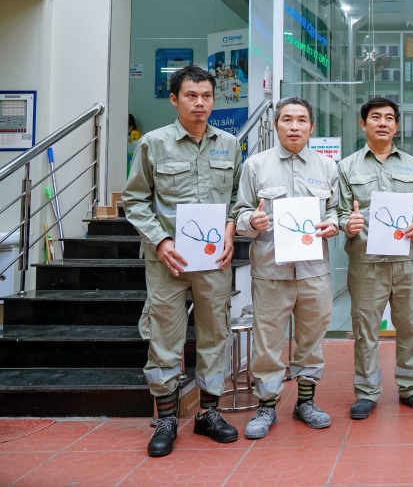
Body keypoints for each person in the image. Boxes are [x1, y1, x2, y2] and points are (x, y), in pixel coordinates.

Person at [122, 65, 241, 458]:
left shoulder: (230, 144)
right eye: (191, 95)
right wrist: (160, 241)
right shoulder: (153, 144)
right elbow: (135, 200)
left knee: (215, 334)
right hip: (167, 261)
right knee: (164, 337)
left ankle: (208, 413)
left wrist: (230, 228)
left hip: (213, 260)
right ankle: (167, 419)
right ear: (174, 99)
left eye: (206, 96)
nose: (200, 103)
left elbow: (237, 197)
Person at [233, 97, 339, 440]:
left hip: (314, 271)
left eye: (301, 120)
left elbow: (335, 210)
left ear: (311, 127)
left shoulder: (327, 167)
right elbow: (239, 212)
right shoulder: (256, 166)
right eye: (287, 120)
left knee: (312, 339)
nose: (294, 126)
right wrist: (252, 220)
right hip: (270, 271)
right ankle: (266, 405)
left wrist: (333, 223)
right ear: (276, 124)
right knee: (267, 342)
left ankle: (305, 402)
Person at [338, 97, 413, 420]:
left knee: (412, 326)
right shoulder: (347, 167)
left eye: (389, 118)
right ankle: (366, 392)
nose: (383, 123)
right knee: (365, 329)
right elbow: (338, 211)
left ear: (396, 125)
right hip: (366, 263)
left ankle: (411, 387)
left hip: (407, 260)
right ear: (363, 124)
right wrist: (347, 223)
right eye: (375, 117)